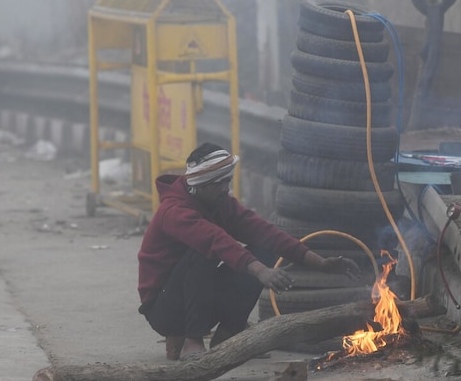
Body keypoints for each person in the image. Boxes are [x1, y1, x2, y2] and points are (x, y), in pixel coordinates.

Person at [137, 142, 361, 361]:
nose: (226, 188)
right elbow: (216, 241)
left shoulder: (219, 202)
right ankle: (192, 341)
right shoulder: (173, 211)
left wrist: (319, 262)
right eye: (220, 183)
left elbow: (263, 231)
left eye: (228, 181)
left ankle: (228, 335)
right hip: (164, 309)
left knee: (265, 248)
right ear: (202, 185)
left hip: (197, 299)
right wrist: (260, 271)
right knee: (202, 254)